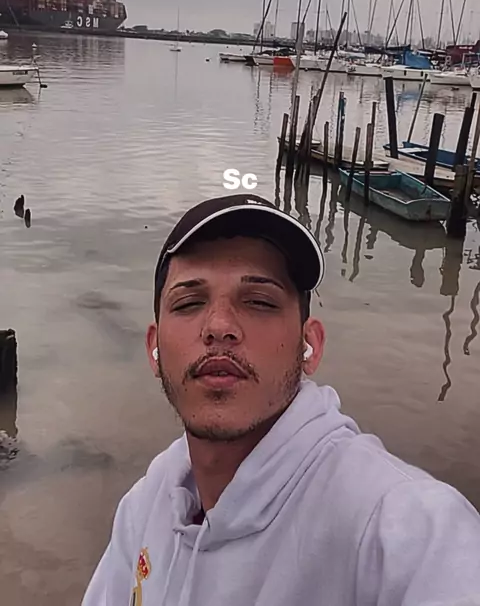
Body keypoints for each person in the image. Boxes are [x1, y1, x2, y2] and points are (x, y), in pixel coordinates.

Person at [82, 194, 480, 606]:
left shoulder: (404, 531)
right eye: (189, 303)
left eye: (259, 302)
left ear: (310, 345)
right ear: (154, 350)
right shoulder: (145, 507)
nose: (219, 326)